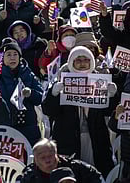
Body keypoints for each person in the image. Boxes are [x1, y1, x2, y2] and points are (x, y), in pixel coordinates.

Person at [43, 46, 117, 176]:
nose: (82, 63)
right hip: (68, 140)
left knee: (96, 173)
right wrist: (54, 94)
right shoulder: (61, 80)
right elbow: (48, 110)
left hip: (95, 138)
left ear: (91, 62)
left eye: (86, 60)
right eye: (78, 60)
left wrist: (112, 96)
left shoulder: (99, 81)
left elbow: (110, 112)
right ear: (71, 62)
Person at [0, 38, 43, 145]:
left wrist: (30, 93)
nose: (12, 58)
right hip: (4, 128)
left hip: (28, 126)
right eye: (8, 55)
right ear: (2, 58)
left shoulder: (28, 74)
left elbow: (41, 98)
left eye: (15, 54)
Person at [20, 138, 103, 183]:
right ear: (35, 160)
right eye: (43, 157)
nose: (47, 159)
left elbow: (96, 176)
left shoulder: (75, 167)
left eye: (50, 155)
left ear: (56, 154)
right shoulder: (30, 176)